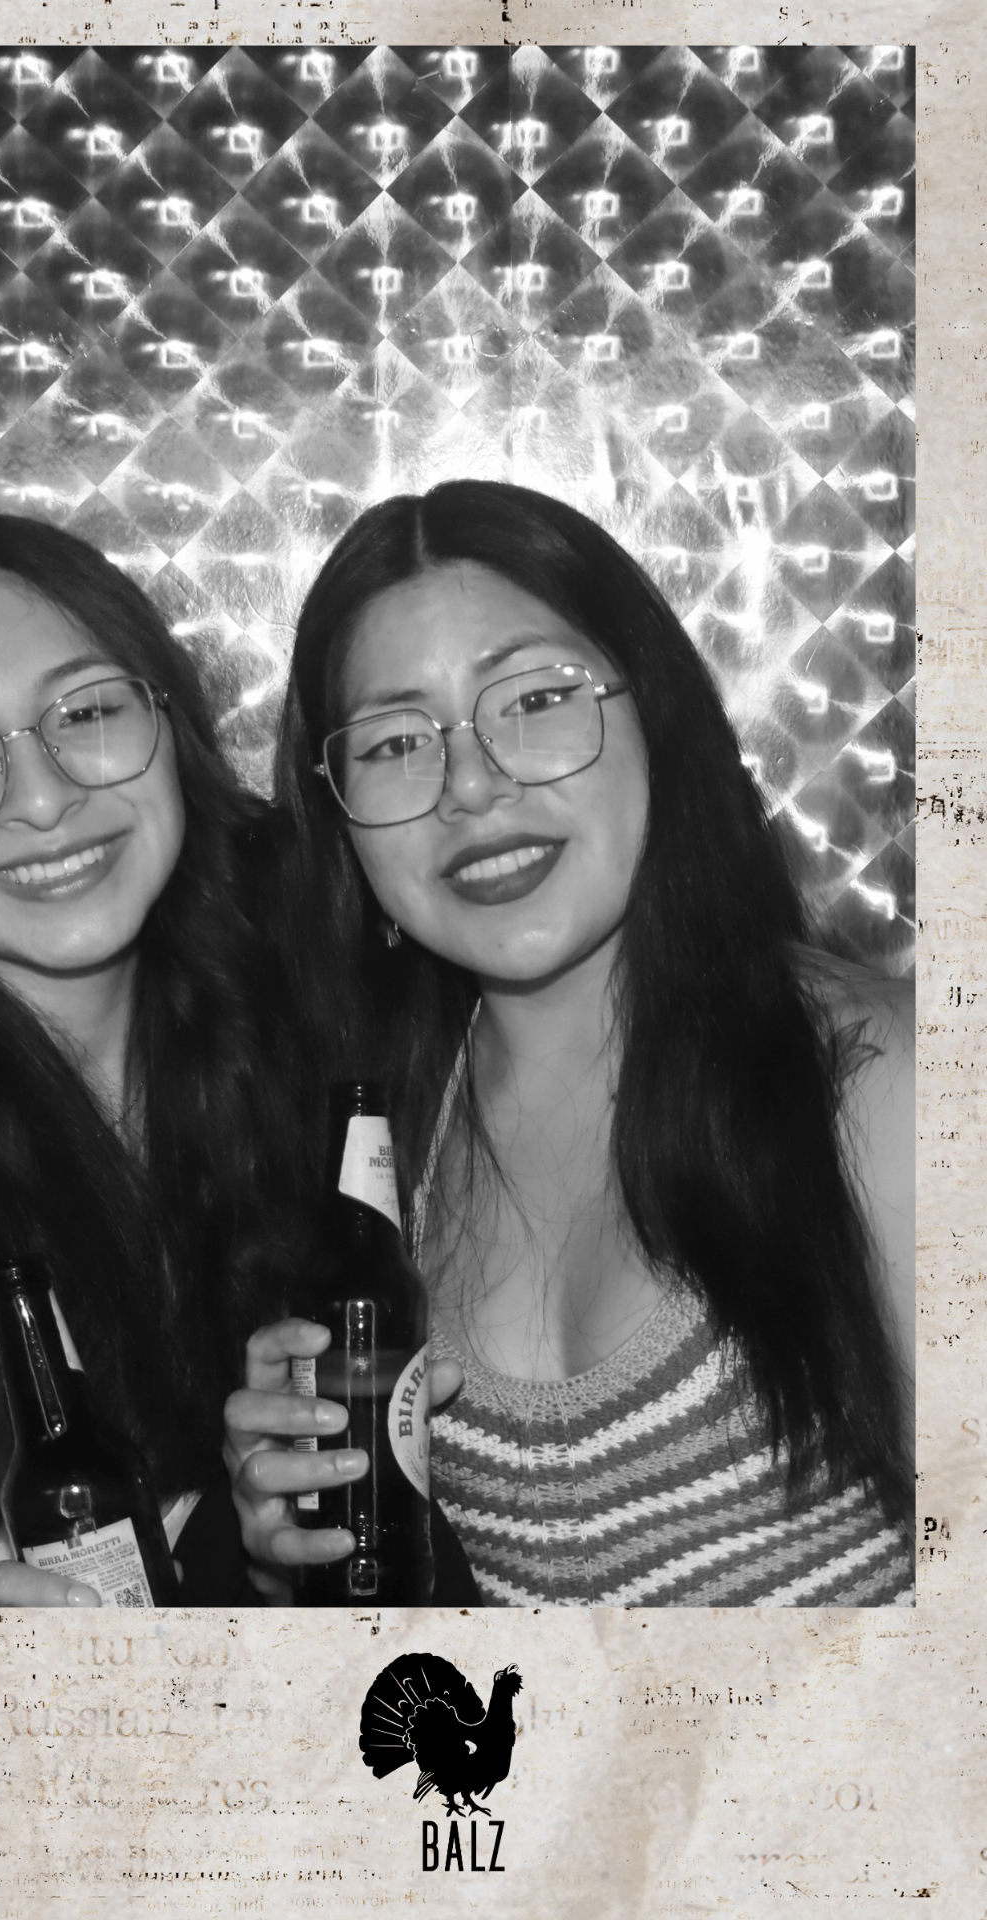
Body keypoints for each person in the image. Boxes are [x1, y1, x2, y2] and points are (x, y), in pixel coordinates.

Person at [238, 477, 914, 1608]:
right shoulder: (375, 1152)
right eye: (395, 741)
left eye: (537, 698)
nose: (470, 787)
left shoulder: (875, 1083)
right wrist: (289, 1554)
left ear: (655, 712)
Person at [0, 515, 481, 1607]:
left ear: (170, 719)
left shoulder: (320, 978)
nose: (42, 798)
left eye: (87, 712)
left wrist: (272, 1544)